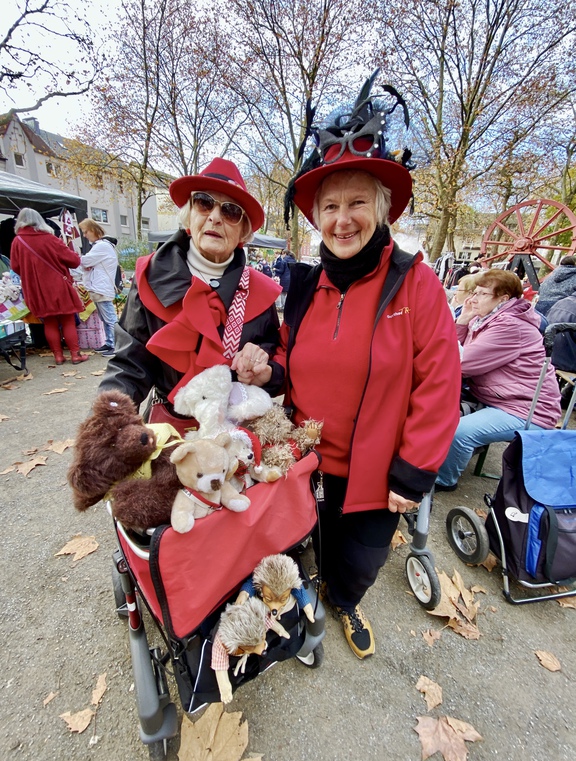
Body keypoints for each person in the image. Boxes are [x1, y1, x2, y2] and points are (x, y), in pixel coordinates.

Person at [234, 75, 461, 659]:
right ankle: (306, 595)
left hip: (377, 472)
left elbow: (440, 380)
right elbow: (292, 358)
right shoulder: (305, 284)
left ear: (381, 208)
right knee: (302, 541)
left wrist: (414, 471)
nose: (342, 218)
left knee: (358, 559)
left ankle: (346, 602)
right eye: (330, 206)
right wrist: (269, 374)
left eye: (357, 202)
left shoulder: (415, 281)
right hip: (303, 458)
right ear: (315, 217)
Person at [99, 158, 282, 424]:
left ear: (243, 229)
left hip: (236, 433)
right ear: (190, 214)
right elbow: (129, 364)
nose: (215, 217)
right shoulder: (149, 278)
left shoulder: (260, 291)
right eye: (204, 203)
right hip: (169, 428)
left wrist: (264, 368)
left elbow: (274, 359)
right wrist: (108, 420)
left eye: (230, 211)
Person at [435, 269, 562, 491]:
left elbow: (460, 364)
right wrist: (463, 320)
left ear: (503, 299)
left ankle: (444, 481)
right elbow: (454, 353)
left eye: (482, 294)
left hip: (525, 409)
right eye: (474, 292)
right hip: (500, 397)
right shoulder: (487, 319)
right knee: (434, 407)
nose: (473, 299)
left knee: (460, 432)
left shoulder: (510, 325)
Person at [9, 208, 88, 365]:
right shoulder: (50, 238)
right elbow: (74, 260)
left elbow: (15, 267)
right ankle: (75, 355)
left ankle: (58, 356)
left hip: (36, 288)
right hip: (58, 284)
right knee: (67, 320)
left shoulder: (17, 241)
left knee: (49, 321)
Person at [78, 219, 119, 357]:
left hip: (101, 287)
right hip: (100, 286)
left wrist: (85, 264)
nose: (84, 235)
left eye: (85, 232)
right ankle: (110, 342)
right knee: (105, 317)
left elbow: (84, 261)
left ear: (93, 230)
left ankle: (116, 345)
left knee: (109, 317)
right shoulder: (104, 245)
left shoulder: (101, 246)